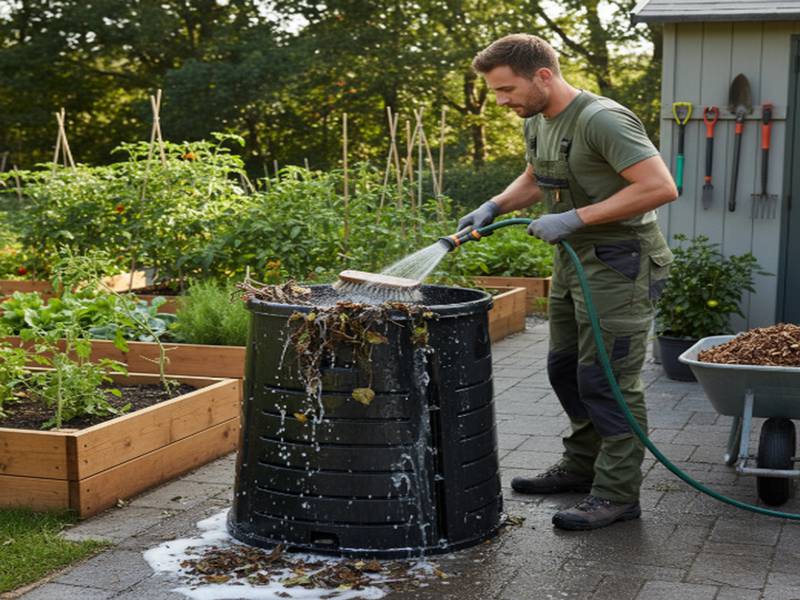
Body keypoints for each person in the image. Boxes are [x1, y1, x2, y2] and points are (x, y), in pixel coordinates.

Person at [458, 34, 677, 531]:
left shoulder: (602, 119)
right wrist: (495, 205)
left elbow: (661, 187)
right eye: (496, 92)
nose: (502, 101)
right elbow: (537, 176)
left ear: (543, 76)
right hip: (574, 261)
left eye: (507, 89)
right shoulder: (537, 119)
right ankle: (581, 465)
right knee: (565, 369)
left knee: (607, 378)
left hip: (621, 261)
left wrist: (576, 218)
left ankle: (618, 494)